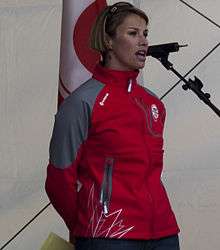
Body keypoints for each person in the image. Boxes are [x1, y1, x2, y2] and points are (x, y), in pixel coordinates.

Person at [45, 2, 180, 250]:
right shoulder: (81, 102)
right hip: (107, 235)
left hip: (164, 232)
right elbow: (58, 179)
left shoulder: (153, 104)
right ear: (108, 42)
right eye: (132, 33)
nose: (143, 41)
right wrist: (85, 226)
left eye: (145, 34)